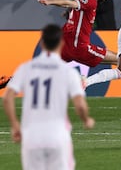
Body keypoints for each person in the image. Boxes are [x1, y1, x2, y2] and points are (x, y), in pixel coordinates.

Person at [2, 24, 95, 170]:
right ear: (62, 43)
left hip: (31, 136)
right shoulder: (68, 72)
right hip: (57, 135)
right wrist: (86, 120)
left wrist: (15, 126)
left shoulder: (26, 68)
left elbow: (7, 98)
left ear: (42, 43)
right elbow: (80, 105)